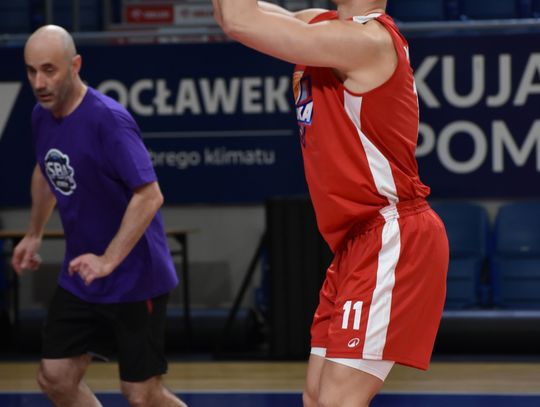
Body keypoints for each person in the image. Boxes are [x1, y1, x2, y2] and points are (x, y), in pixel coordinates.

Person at [213, 1, 449, 406]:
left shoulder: (369, 40)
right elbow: (233, 15)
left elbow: (240, 21)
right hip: (355, 241)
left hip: (392, 233)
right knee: (317, 398)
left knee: (338, 400)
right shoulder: (318, 22)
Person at [13, 25, 188, 407]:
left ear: (75, 65)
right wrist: (34, 233)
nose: (39, 82)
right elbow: (46, 170)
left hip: (136, 278)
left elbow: (149, 195)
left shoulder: (108, 119)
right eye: (31, 71)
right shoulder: (41, 116)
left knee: (141, 395)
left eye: (49, 70)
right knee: (55, 377)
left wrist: (108, 260)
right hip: (82, 276)